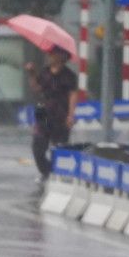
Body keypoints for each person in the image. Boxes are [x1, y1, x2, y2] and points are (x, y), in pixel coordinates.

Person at [26, 45, 78, 181]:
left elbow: (73, 95)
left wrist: (71, 115)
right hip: (44, 113)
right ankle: (47, 172)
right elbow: (37, 87)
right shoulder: (45, 73)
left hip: (60, 115)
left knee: (60, 148)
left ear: (61, 56)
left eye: (53, 54)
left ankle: (59, 175)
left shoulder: (69, 76)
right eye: (49, 54)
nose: (50, 57)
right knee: (37, 147)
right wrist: (31, 73)